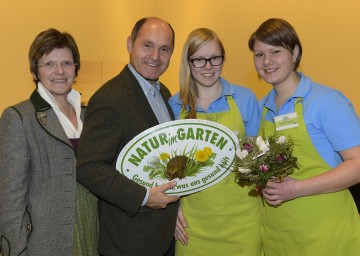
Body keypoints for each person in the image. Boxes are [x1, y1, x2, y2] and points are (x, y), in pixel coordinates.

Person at [248, 18, 360, 256]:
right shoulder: (261, 108)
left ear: (295, 52)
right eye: (259, 54)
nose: (267, 61)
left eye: (275, 51)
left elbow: (358, 164)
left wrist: (296, 189)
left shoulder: (326, 101)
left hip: (326, 235)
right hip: (278, 237)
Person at [76, 17, 180, 256]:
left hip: (165, 237)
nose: (155, 56)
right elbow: (89, 168)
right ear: (130, 44)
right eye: (147, 45)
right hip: (128, 242)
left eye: (164, 49)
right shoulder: (109, 98)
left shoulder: (163, 93)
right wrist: (143, 197)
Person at [0, 29, 98, 255]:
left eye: (67, 62)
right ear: (35, 71)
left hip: (91, 232)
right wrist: (16, 250)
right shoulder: (19, 117)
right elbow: (10, 199)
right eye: (49, 64)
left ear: (76, 67)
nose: (60, 71)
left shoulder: (90, 114)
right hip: (44, 241)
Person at [168, 28, 263, 256]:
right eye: (199, 59)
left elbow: (257, 162)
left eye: (215, 58)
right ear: (188, 62)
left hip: (243, 222)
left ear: (223, 58)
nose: (208, 66)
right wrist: (170, 211)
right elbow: (166, 169)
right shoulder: (174, 105)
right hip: (193, 225)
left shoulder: (245, 98)